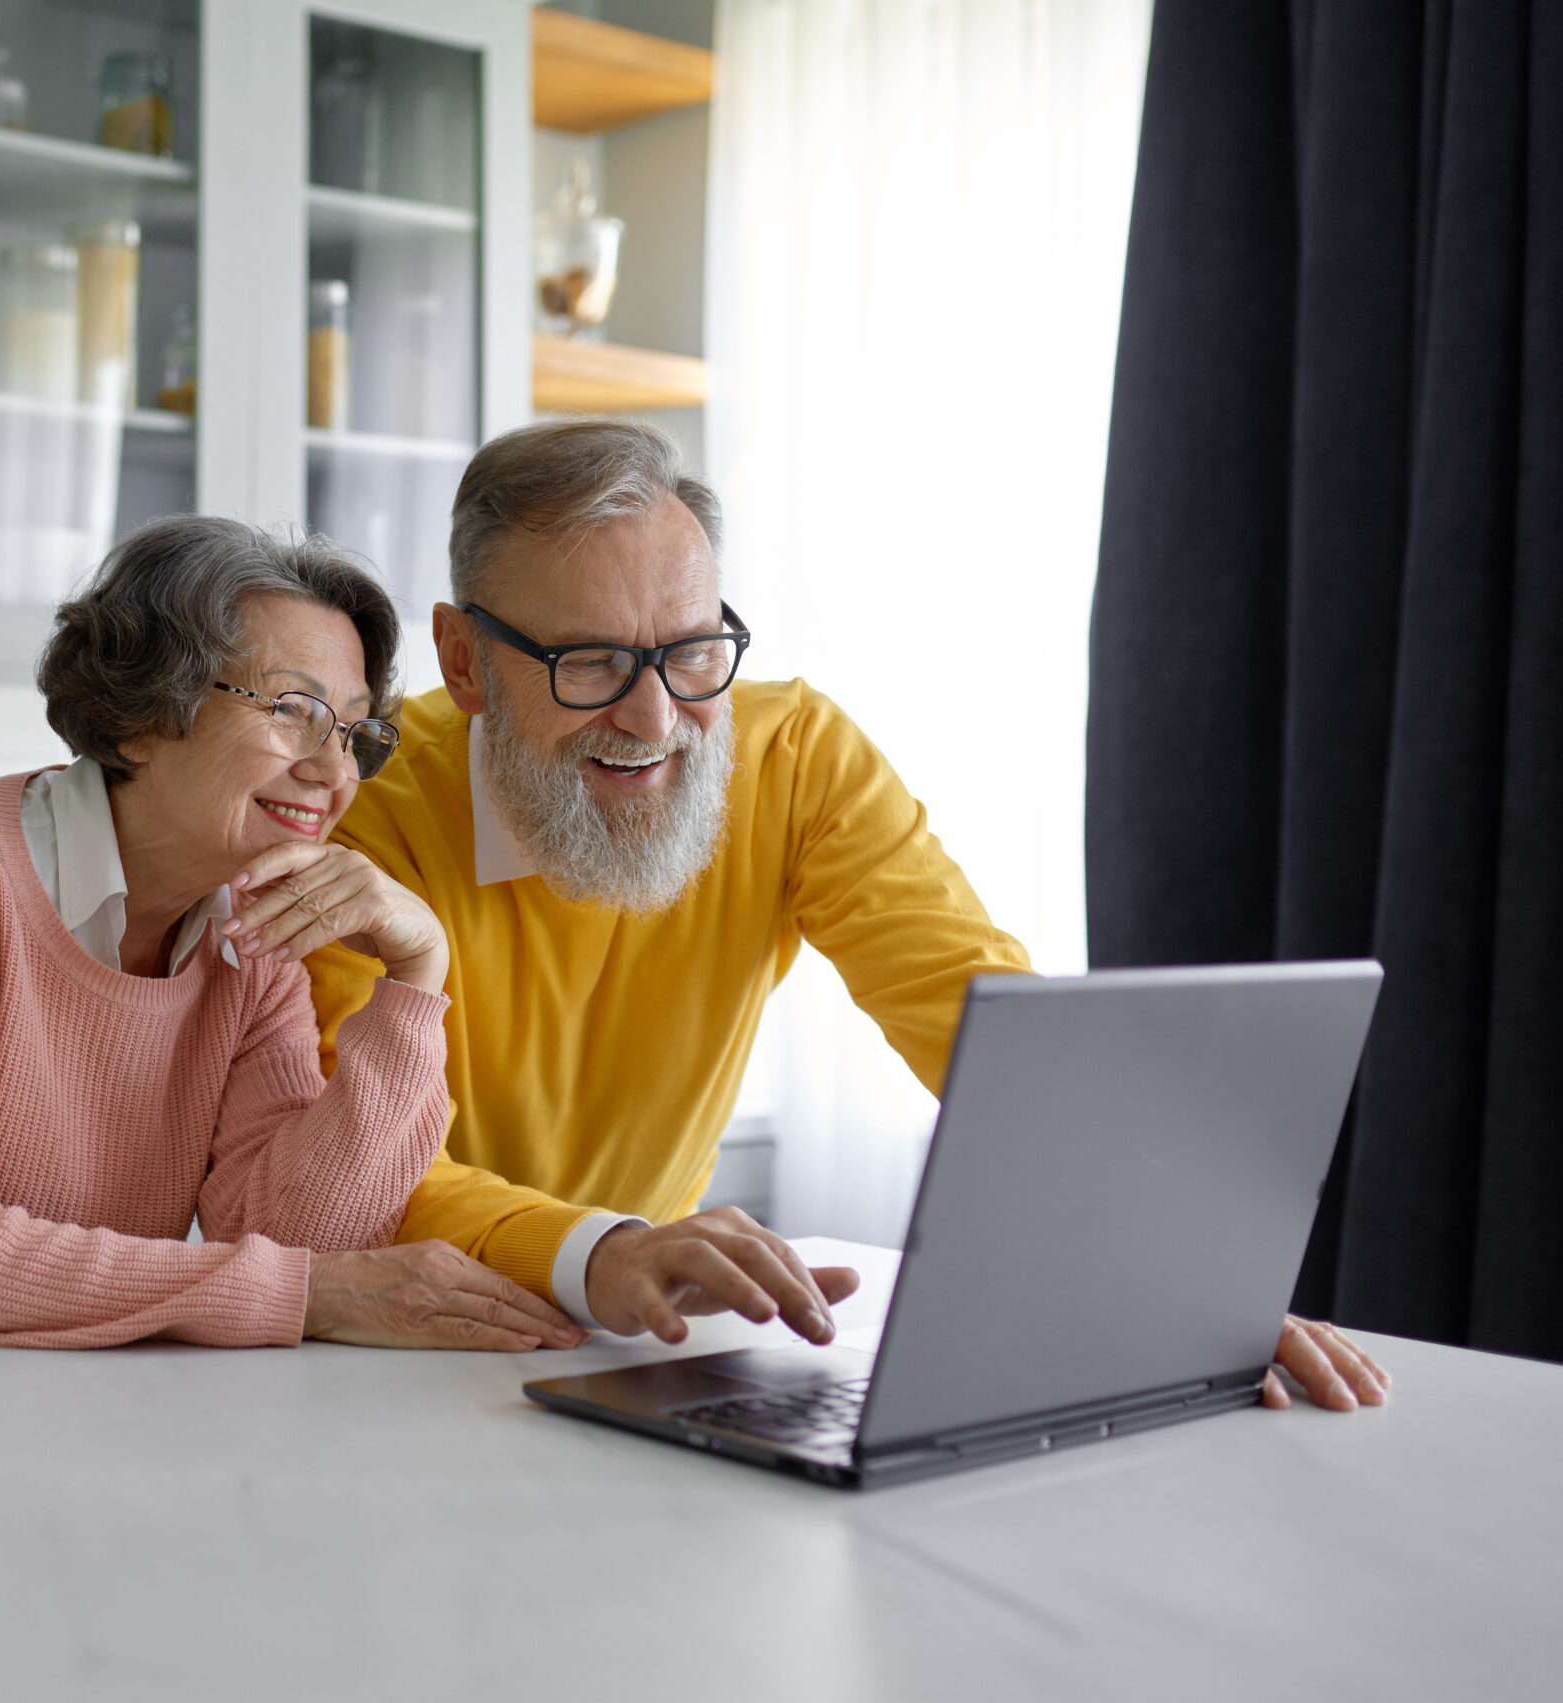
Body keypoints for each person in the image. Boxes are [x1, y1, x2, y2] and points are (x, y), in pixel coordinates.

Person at [268, 419, 1387, 1411]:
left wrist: (1187, 1279)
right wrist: (600, 1249)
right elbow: (345, 1160)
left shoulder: (795, 757)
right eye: (592, 663)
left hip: (641, 1350)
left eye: (692, 650)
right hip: (380, 1355)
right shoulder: (353, 809)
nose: (655, 717)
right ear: (464, 660)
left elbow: (986, 1023)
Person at [0, 516, 583, 1364]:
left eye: (353, 731)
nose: (332, 770)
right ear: (141, 715)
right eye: (293, 709)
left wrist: (419, 978)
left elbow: (304, 1240)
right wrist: (302, 1293)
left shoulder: (249, 934)